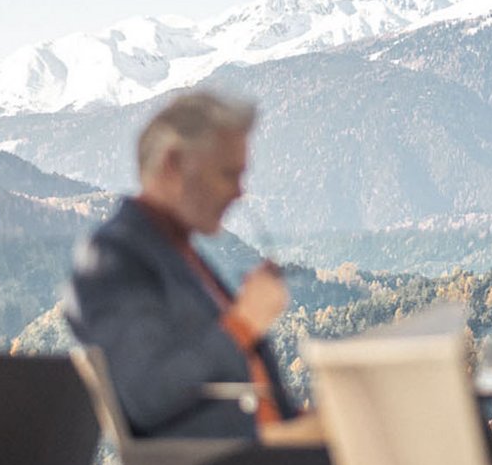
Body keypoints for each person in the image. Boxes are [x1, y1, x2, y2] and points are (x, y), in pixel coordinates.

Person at [66, 89, 323, 443]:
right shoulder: (114, 256)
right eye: (228, 174)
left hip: (268, 459)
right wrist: (244, 322)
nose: (238, 192)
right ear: (173, 164)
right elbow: (147, 394)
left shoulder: (177, 252)